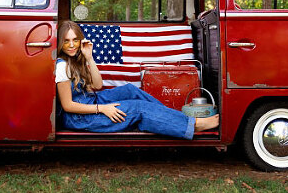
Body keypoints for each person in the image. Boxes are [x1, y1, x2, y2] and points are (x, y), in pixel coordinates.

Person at [55, 20, 219, 139]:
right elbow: (68, 106)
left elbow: (97, 85)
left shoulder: (77, 59)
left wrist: (89, 58)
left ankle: (177, 121)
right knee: (139, 108)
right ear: (60, 42)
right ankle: (193, 124)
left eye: (75, 40)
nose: (71, 45)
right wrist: (102, 109)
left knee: (130, 89)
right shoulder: (62, 66)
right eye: (67, 41)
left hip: (91, 101)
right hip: (78, 117)